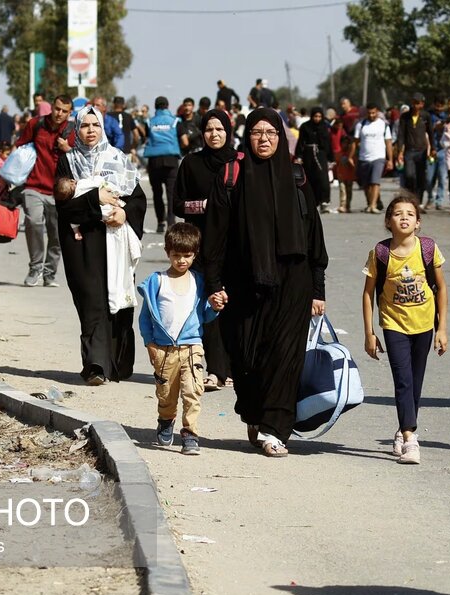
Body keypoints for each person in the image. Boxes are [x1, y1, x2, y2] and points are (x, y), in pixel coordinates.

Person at [202, 108, 329, 457]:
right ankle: (256, 413)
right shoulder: (233, 176)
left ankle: (276, 428)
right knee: (246, 357)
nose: (264, 139)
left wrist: (318, 288)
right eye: (257, 132)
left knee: (285, 357)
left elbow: (313, 236)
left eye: (271, 133)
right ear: (247, 136)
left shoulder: (298, 176)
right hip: (244, 284)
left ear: (282, 137)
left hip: (294, 282)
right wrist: (213, 283)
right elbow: (214, 235)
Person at [55, 106, 148, 386]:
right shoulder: (67, 161)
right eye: (85, 125)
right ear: (77, 129)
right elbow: (64, 206)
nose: (91, 130)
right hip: (83, 241)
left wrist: (125, 213)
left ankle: (117, 363)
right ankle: (94, 364)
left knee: (118, 299)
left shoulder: (118, 158)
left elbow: (138, 198)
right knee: (91, 299)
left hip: (116, 238)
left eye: (96, 125)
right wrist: (95, 198)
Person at [361, 194, 448, 465]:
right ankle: (411, 439)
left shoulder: (428, 249)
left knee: (415, 383)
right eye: (398, 213)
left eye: (410, 214)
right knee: (403, 380)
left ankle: (402, 429)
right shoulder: (380, 253)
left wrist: (442, 328)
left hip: (423, 325)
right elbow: (367, 293)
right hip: (393, 324)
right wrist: (369, 333)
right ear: (388, 221)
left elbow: (442, 288)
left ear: (418, 222)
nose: (404, 218)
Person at [139, 223, 225, 456]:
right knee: (166, 395)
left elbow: (205, 315)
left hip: (192, 346)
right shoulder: (157, 282)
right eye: (176, 256)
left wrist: (215, 308)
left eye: (187, 256)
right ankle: (166, 420)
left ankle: (190, 433)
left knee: (193, 391)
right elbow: (146, 318)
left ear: (195, 254)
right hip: (164, 350)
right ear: (167, 253)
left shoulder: (199, 281)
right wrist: (150, 344)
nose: (181, 261)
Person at [172, 108, 237, 390]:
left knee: (234, 308)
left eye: (220, 129)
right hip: (200, 246)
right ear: (202, 133)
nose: (214, 134)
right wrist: (204, 206)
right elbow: (178, 204)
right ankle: (215, 370)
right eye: (209, 129)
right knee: (209, 307)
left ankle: (234, 368)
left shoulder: (240, 162)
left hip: (236, 246)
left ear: (228, 131)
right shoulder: (191, 163)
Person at [14, 94, 75, 287]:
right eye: (57, 109)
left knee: (56, 234)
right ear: (52, 107)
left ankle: (50, 273)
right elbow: (20, 147)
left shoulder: (72, 131)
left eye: (64, 111)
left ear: (69, 113)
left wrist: (68, 150)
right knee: (33, 222)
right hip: (34, 186)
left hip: (60, 192)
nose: (59, 113)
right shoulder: (36, 124)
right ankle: (35, 267)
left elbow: (82, 159)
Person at [144, 96, 182, 233]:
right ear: (167, 106)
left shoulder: (149, 122)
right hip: (171, 160)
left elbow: (146, 138)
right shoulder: (175, 121)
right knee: (172, 193)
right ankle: (171, 222)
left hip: (154, 161)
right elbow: (181, 139)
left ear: (155, 107)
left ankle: (160, 222)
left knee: (157, 193)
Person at [351, 103, 394, 214]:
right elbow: (355, 142)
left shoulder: (384, 125)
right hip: (364, 158)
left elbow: (388, 143)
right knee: (366, 184)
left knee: (375, 182)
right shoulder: (361, 124)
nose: (371, 115)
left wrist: (390, 159)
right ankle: (369, 203)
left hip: (378, 157)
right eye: (369, 113)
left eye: (374, 113)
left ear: (377, 112)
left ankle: (373, 205)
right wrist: (351, 156)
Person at [295, 107, 335, 214]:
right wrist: (298, 156)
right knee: (310, 179)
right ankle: (313, 202)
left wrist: (331, 158)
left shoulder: (325, 127)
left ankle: (324, 202)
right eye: (315, 116)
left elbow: (328, 144)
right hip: (308, 156)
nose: (317, 119)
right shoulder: (305, 127)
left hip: (321, 155)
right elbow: (301, 142)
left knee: (323, 179)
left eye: (319, 117)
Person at [395, 94, 435, 199]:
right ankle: (411, 197)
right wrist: (399, 151)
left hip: (421, 151)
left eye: (417, 103)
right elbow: (401, 135)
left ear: (422, 104)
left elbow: (431, 133)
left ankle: (419, 200)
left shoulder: (426, 116)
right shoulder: (405, 117)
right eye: (413, 102)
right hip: (409, 152)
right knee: (409, 176)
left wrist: (433, 149)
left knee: (420, 177)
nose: (415, 105)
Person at [335, 135, 357, 213]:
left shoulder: (351, 155)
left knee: (349, 191)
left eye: (347, 143)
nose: (345, 145)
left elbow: (354, 166)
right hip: (341, 175)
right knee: (342, 190)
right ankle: (342, 205)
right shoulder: (338, 153)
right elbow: (336, 165)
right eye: (343, 143)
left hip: (350, 176)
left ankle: (348, 205)